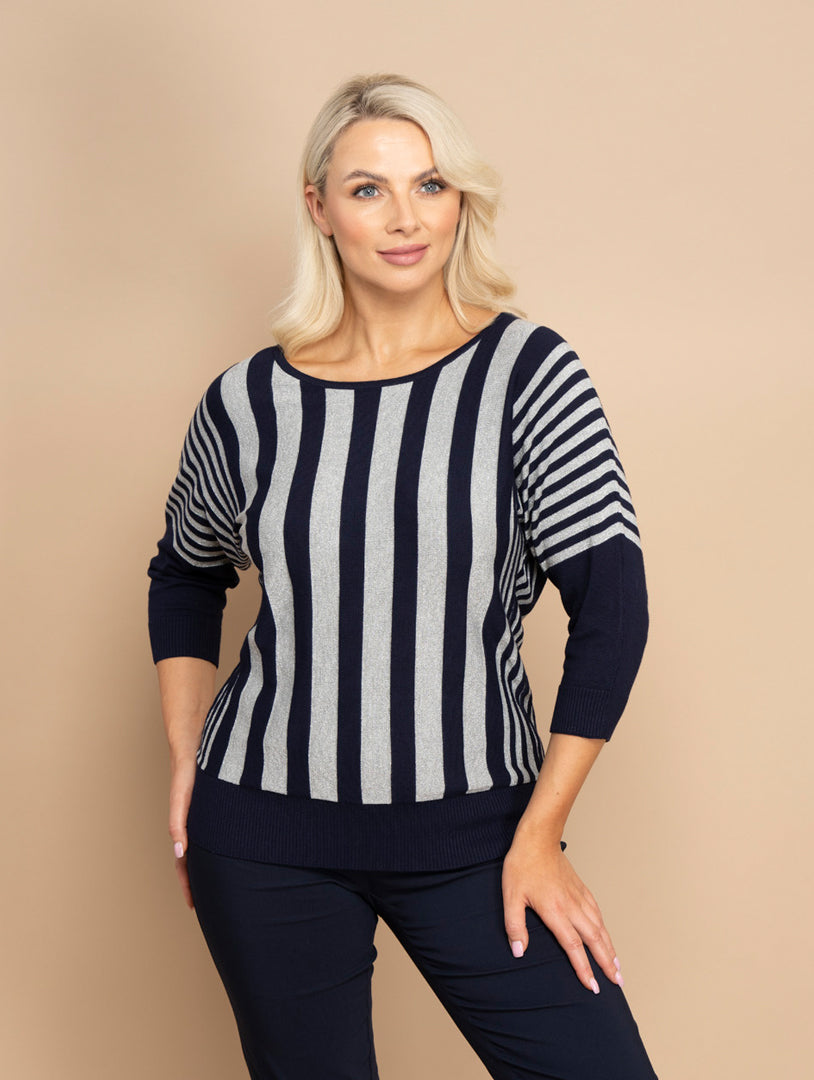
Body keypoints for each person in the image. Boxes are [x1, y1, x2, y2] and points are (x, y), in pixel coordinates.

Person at [147, 72, 658, 1080]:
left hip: (483, 835)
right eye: (367, 189)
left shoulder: (528, 375)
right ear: (319, 207)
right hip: (263, 835)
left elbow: (613, 610)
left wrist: (541, 834)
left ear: (460, 199)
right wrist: (186, 758)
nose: (404, 217)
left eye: (430, 184)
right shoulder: (249, 403)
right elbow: (186, 572)